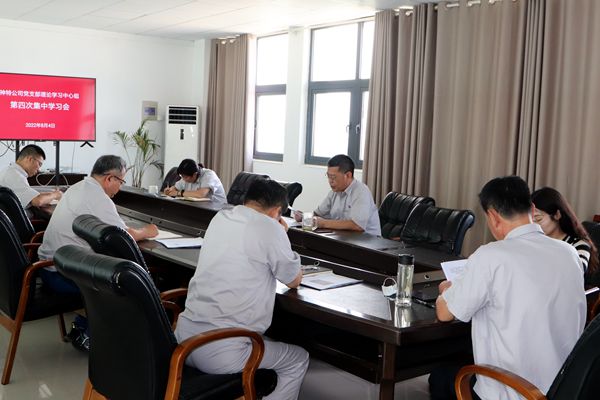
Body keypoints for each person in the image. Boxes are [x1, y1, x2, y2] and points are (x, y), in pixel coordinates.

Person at [429, 176, 586, 400]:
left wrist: (446, 290)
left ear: (493, 216)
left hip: (514, 391)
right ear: (532, 209)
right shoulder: (568, 252)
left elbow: (444, 314)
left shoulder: (491, 256)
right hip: (563, 388)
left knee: (440, 377)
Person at [175, 178, 309, 400]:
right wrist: (282, 234)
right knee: (298, 359)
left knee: (268, 342)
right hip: (222, 351)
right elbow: (293, 279)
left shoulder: (221, 217)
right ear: (277, 211)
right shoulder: (269, 227)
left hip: (184, 341)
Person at [38, 155, 158, 294]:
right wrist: (147, 231)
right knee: (127, 285)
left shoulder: (77, 187)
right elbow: (124, 236)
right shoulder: (99, 197)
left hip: (48, 267)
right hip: (63, 276)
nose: (120, 187)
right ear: (110, 178)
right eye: (121, 182)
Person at [295, 154, 381, 236]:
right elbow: (318, 214)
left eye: (333, 177)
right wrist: (304, 217)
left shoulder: (361, 191)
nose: (330, 181)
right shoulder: (334, 192)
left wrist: (324, 223)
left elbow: (357, 225)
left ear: (348, 175)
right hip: (344, 238)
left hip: (367, 241)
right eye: (328, 176)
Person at [532, 186, 598, 275]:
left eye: (538, 218)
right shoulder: (534, 242)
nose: (534, 225)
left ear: (557, 214)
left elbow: (575, 274)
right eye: (530, 220)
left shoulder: (579, 245)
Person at [0, 144, 62, 216]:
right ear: (30, 159)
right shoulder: (15, 175)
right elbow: (38, 201)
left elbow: (31, 196)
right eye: (39, 164)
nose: (39, 169)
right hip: (17, 221)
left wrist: (47, 196)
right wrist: (56, 195)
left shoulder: (9, 171)